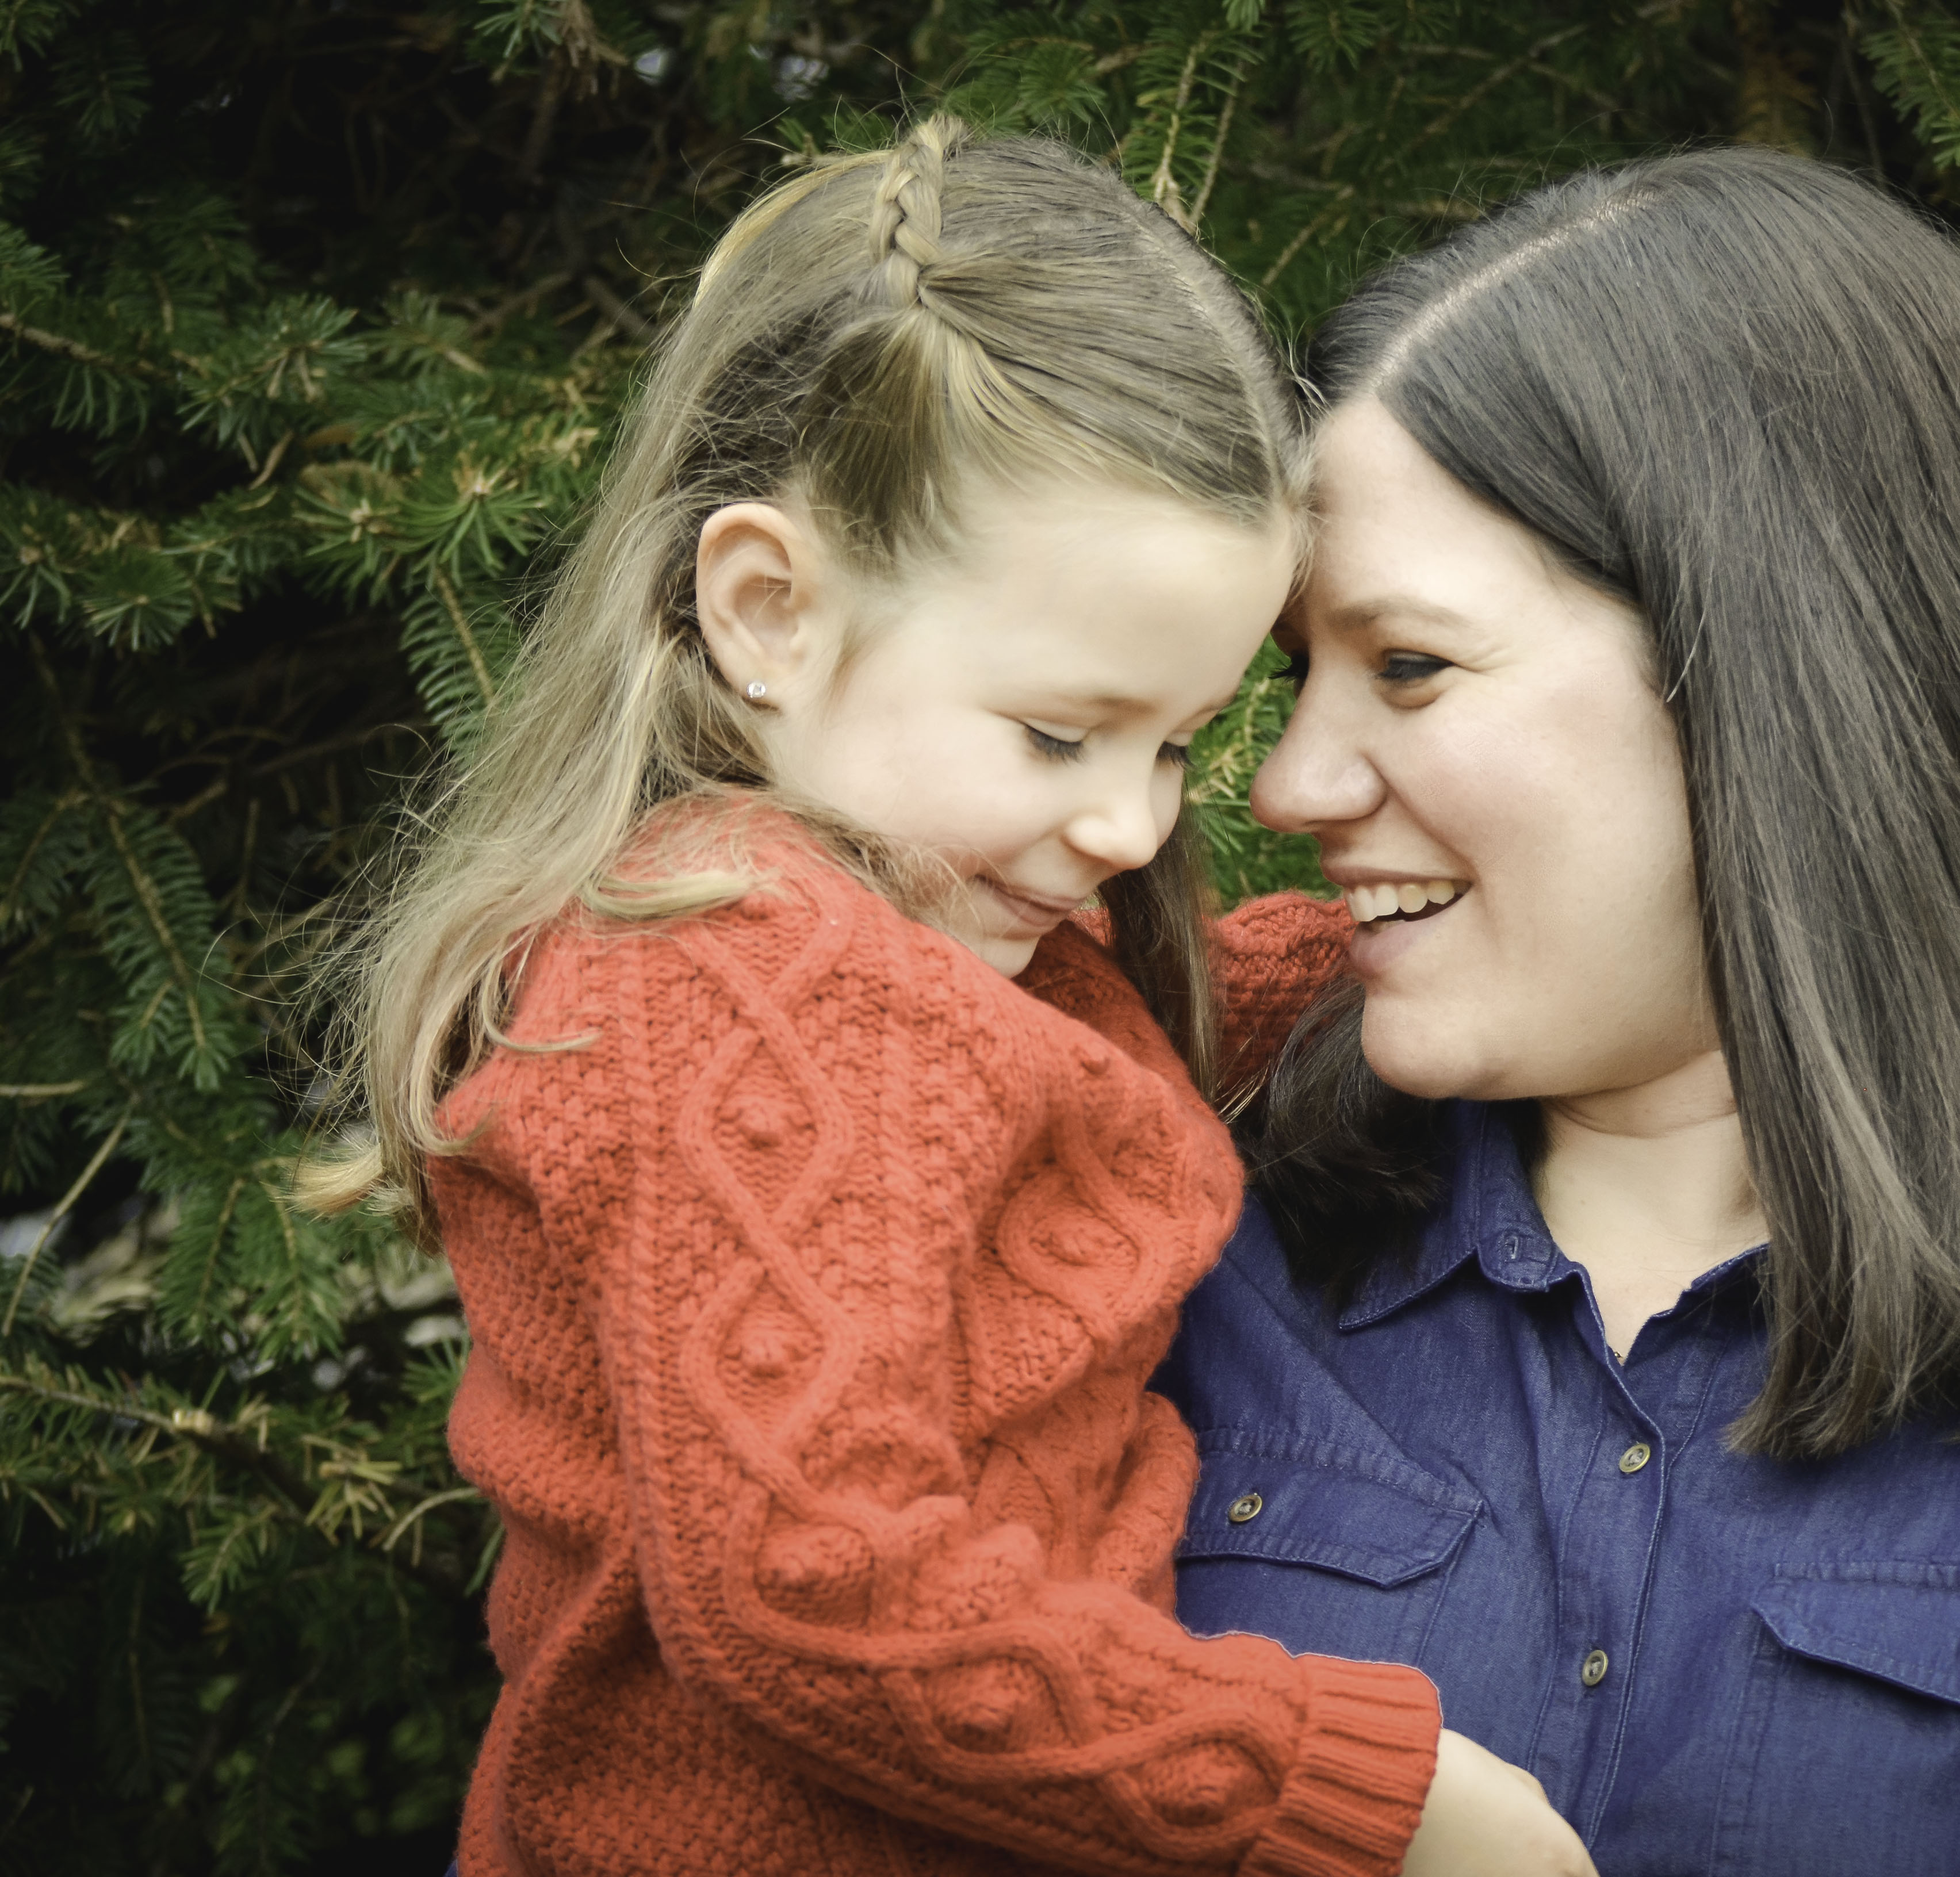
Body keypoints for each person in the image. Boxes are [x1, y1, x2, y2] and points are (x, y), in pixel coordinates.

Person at [304, 116, 1591, 1877]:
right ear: (767, 610)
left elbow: (1100, 1042)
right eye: (1060, 734)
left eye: (1176, 744)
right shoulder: (735, 978)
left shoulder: (881, 939)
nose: (1130, 825)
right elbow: (817, 1591)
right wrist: (1347, 1787)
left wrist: (1451, 919)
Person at [1155, 145, 1960, 1874]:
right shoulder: (1165, 1234)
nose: (1292, 781)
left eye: (1409, 666)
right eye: (1297, 672)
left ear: (1768, 673)